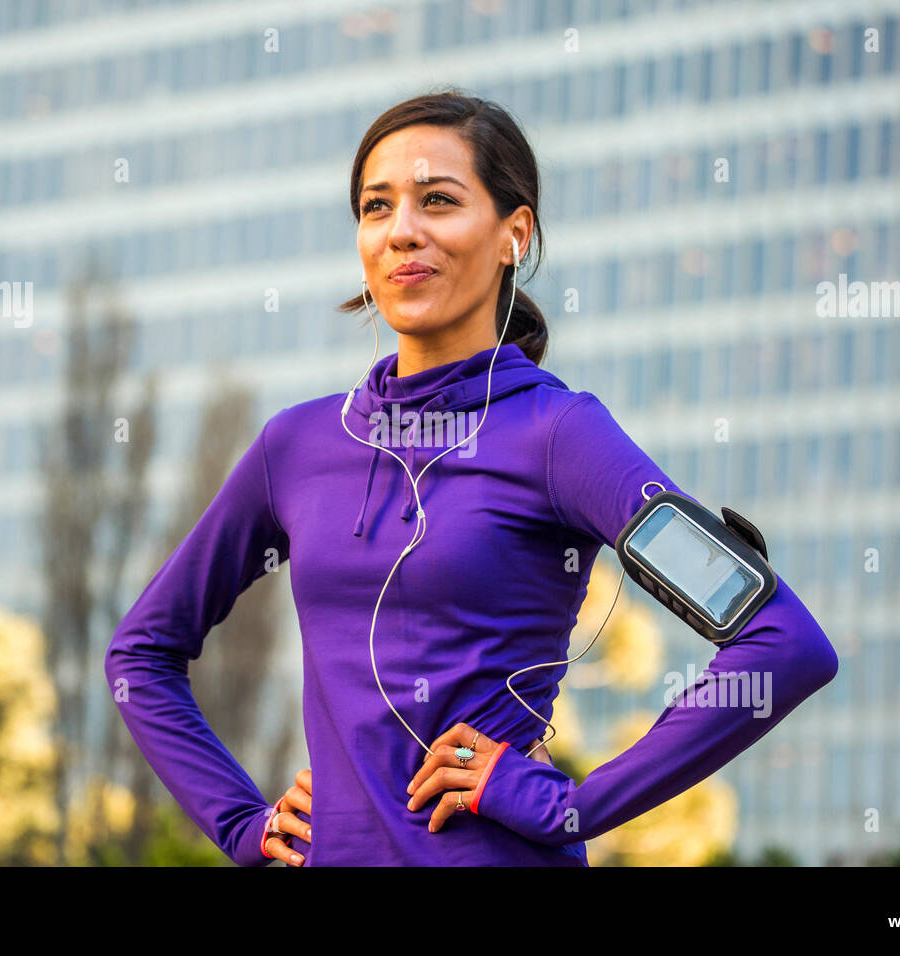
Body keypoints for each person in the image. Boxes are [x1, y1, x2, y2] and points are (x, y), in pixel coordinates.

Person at [104, 90, 839, 867]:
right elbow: (141, 655)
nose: (403, 232)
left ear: (512, 236)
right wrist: (241, 826)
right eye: (376, 207)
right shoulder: (298, 446)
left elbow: (784, 643)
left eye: (439, 201)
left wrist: (571, 807)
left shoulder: (558, 436)